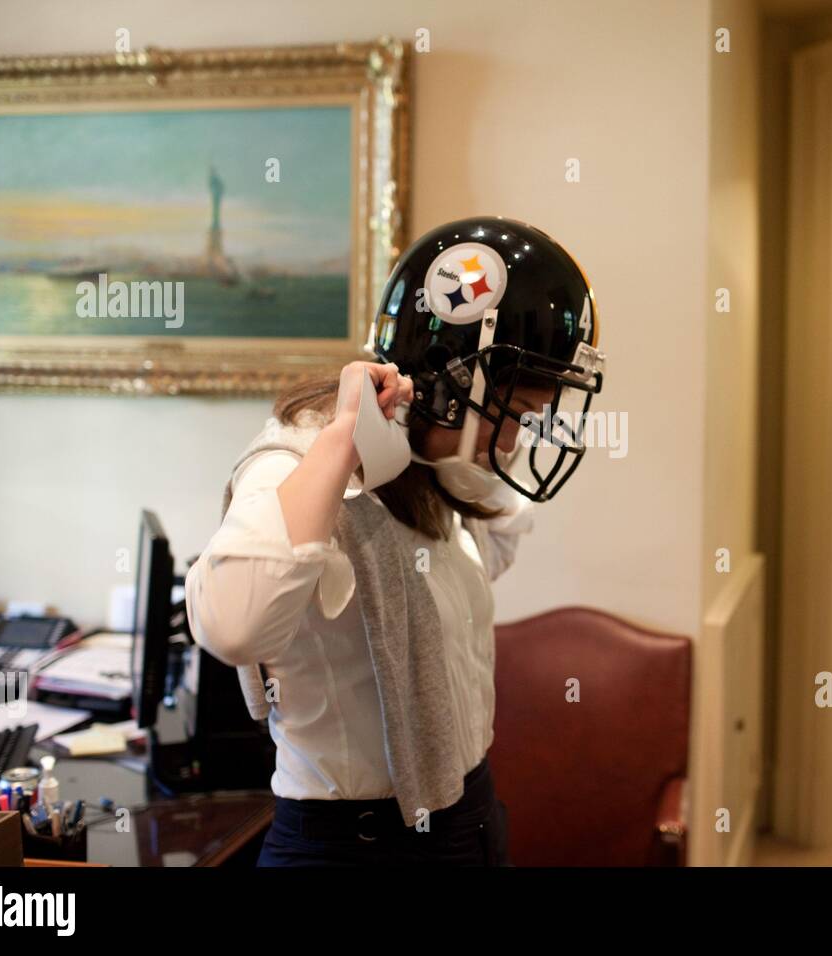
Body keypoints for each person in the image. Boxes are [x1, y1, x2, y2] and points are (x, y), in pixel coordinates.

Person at [185, 217, 606, 866]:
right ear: (449, 377)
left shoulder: (426, 468)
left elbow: (492, 548)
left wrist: (446, 451)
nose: (521, 441)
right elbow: (232, 628)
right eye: (518, 414)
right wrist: (340, 446)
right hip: (357, 846)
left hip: (465, 820)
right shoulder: (295, 464)